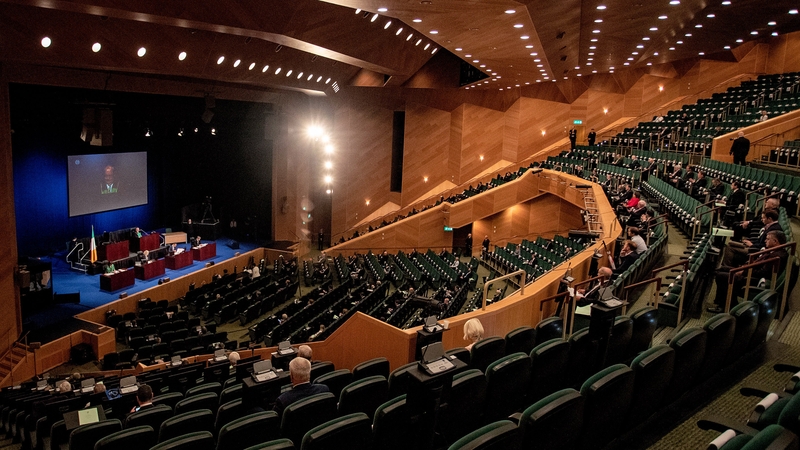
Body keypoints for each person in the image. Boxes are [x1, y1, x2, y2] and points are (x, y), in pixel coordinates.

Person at [709, 230, 788, 313]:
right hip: (750, 272)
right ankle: (721, 301)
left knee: (722, 276)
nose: (765, 241)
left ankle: (726, 306)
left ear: (775, 241)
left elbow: (763, 273)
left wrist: (744, 272)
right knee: (722, 269)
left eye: (768, 239)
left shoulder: (777, 256)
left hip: (755, 279)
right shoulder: (774, 251)